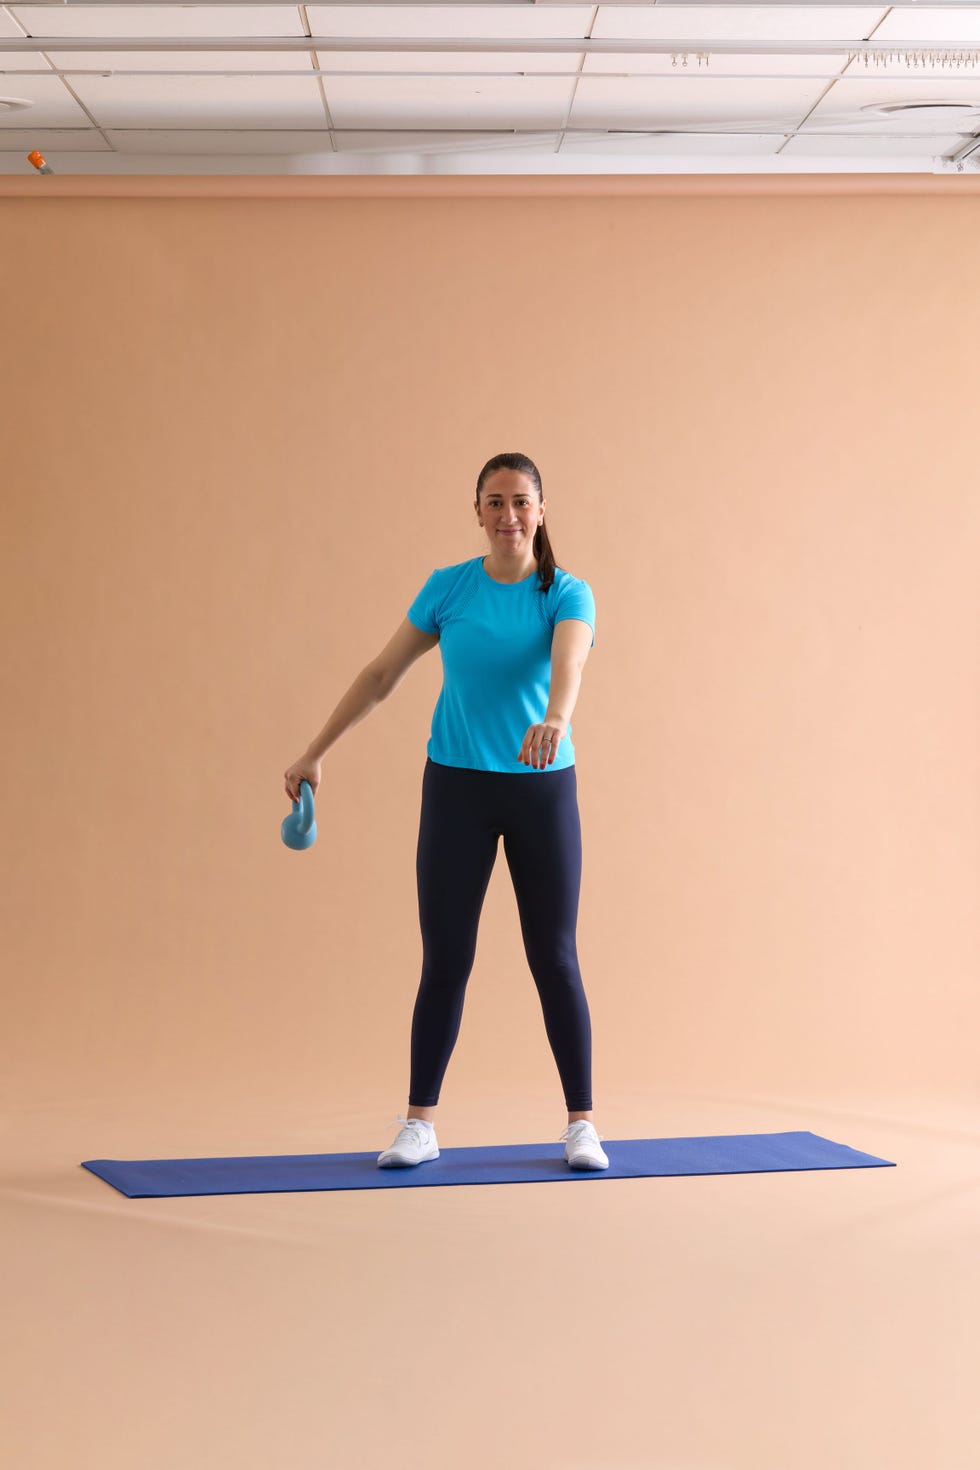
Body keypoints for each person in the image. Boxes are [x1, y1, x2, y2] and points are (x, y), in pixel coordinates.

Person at [284, 452, 609, 1172]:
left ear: (542, 511)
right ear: (477, 512)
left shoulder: (568, 592)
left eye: (521, 501)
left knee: (554, 956)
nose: (508, 515)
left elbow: (570, 663)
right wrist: (315, 752)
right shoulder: (448, 589)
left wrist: (556, 718)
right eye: (494, 502)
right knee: (445, 958)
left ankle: (582, 1123)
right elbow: (379, 675)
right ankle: (419, 1124)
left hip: (540, 787)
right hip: (457, 787)